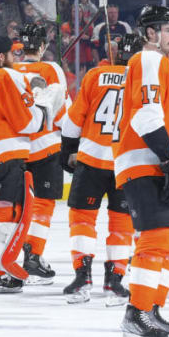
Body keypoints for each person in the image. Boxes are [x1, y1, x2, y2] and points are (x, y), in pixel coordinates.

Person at [0, 35, 61, 294]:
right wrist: (40, 98)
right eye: (12, 55)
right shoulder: (10, 77)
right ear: (4, 56)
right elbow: (28, 123)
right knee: (8, 215)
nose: (15, 59)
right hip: (2, 158)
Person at [113, 5, 169, 336]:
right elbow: (145, 115)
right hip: (144, 159)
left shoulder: (162, 65)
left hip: (154, 158)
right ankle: (136, 312)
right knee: (157, 237)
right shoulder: (147, 59)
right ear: (151, 34)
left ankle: (152, 308)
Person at [60, 35, 133, 306]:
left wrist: (66, 151)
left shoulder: (95, 74)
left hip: (90, 160)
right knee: (122, 225)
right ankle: (114, 281)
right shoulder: (144, 81)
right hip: (126, 163)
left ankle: (82, 277)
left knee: (81, 219)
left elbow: (73, 121)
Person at [12, 24, 70, 285]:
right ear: (43, 46)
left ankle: (5, 257)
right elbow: (61, 111)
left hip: (17, 148)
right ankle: (33, 256)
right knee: (44, 204)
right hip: (45, 146)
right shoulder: (51, 69)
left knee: (17, 206)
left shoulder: (10, 70)